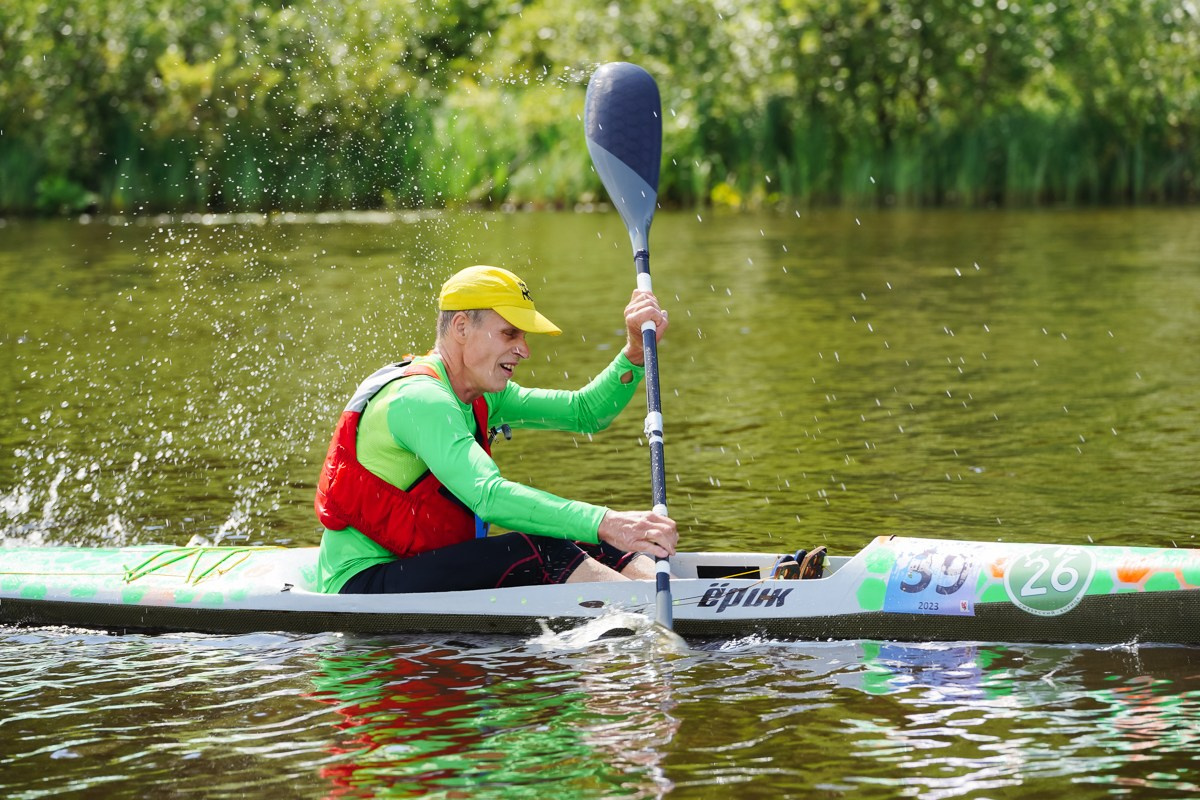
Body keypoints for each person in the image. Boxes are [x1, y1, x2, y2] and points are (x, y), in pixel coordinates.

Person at [314, 264, 678, 594]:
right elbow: (487, 496)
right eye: (509, 334)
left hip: (419, 561)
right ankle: (648, 615)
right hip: (363, 581)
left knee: (589, 536)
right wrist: (607, 520)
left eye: (523, 336)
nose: (524, 350)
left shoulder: (482, 394)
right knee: (543, 548)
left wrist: (634, 352)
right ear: (461, 327)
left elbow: (585, 413)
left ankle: (683, 601)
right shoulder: (420, 399)